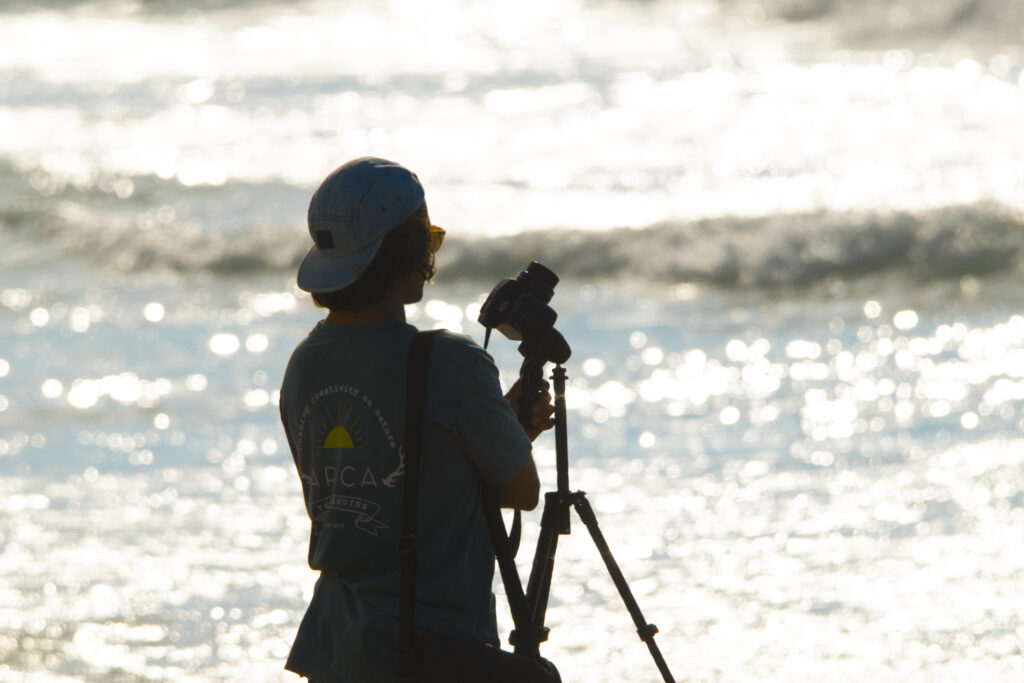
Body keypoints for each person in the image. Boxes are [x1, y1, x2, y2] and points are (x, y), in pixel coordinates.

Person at [279, 157, 557, 682]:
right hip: (429, 648)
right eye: (428, 238)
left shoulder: (303, 364)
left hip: (334, 646)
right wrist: (515, 434)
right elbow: (521, 490)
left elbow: (390, 493)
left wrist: (506, 427)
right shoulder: (449, 362)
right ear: (407, 253)